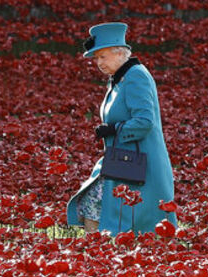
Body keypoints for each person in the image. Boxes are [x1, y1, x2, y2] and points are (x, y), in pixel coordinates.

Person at [67, 22, 176, 235]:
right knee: (93, 204)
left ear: (119, 53)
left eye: (102, 56)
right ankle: (96, 249)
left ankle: (97, 249)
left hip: (138, 163)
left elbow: (145, 121)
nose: (98, 63)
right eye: (96, 58)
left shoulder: (135, 76)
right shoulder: (119, 78)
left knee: (99, 206)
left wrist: (115, 129)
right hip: (122, 160)